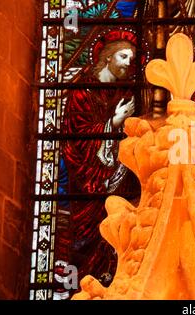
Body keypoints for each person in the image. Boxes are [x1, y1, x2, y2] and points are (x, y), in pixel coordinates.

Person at [59, 29, 139, 288]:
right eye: (123, 56)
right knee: (87, 234)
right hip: (87, 177)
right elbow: (76, 135)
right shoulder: (82, 89)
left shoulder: (122, 91)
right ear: (107, 58)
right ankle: (82, 285)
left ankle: (114, 279)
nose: (129, 63)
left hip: (117, 175)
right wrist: (114, 121)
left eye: (131, 58)